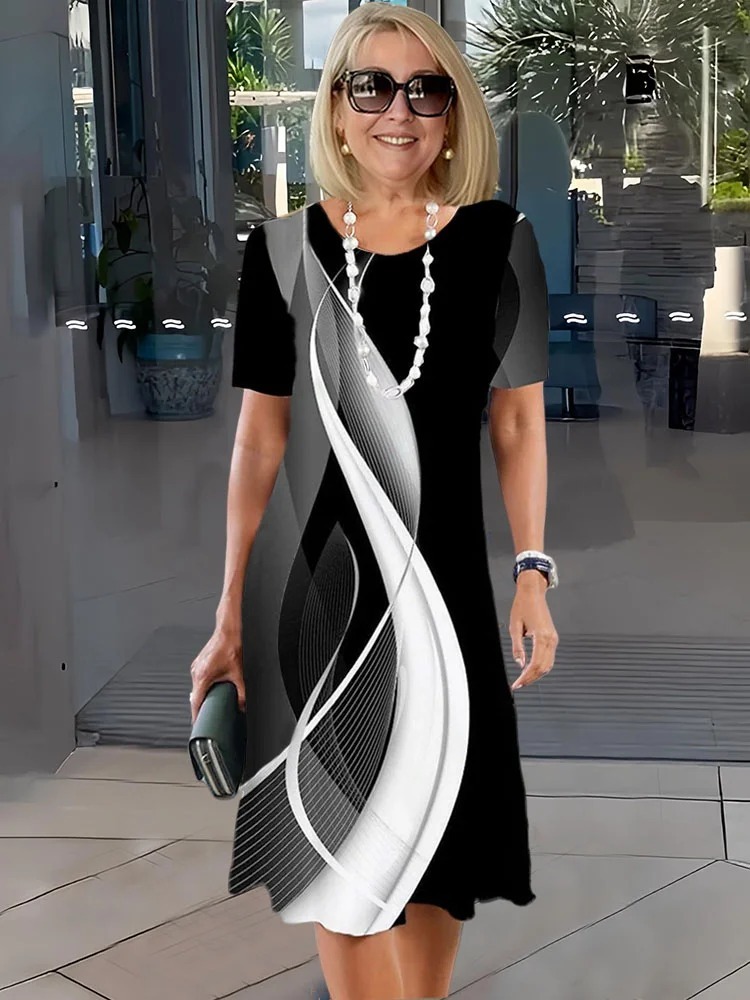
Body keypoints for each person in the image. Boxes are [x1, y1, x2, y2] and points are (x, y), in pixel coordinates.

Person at [189, 4, 558, 998]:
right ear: (339, 112)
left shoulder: (502, 244)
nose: (400, 111)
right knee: (335, 859)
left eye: (426, 90)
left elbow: (518, 425)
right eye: (373, 87)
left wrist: (532, 571)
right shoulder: (280, 251)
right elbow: (259, 442)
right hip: (315, 599)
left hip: (444, 598)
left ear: (453, 115)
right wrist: (229, 612)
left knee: (439, 842)